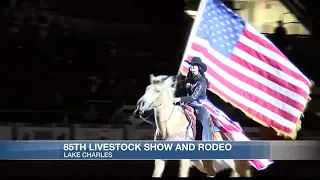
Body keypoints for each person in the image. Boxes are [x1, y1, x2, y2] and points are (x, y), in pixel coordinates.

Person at [173, 57, 215, 141]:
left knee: (202, 121)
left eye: (194, 65)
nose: (192, 66)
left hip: (199, 104)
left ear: (198, 68)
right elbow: (183, 90)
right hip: (187, 104)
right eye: (191, 65)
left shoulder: (201, 81)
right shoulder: (189, 78)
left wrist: (179, 99)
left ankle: (205, 141)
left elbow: (193, 97)